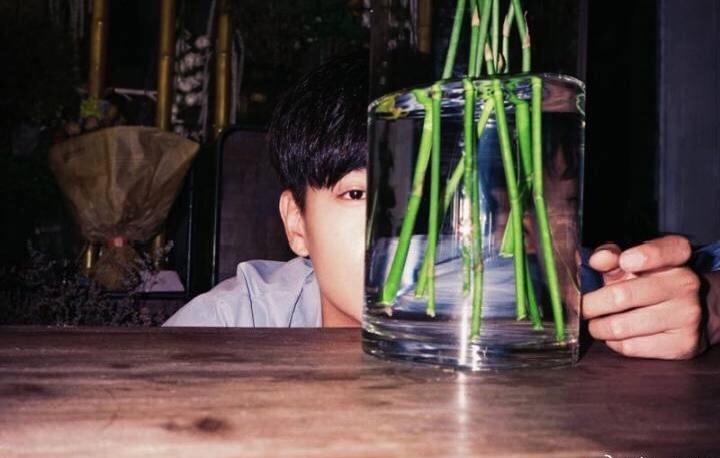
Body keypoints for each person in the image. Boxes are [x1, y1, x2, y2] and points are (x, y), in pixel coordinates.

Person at [164, 53, 720, 360]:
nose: (409, 232)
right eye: (359, 194)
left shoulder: (525, 292)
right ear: (297, 225)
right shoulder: (240, 321)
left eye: (437, 195)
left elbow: (675, 282)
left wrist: (705, 302)